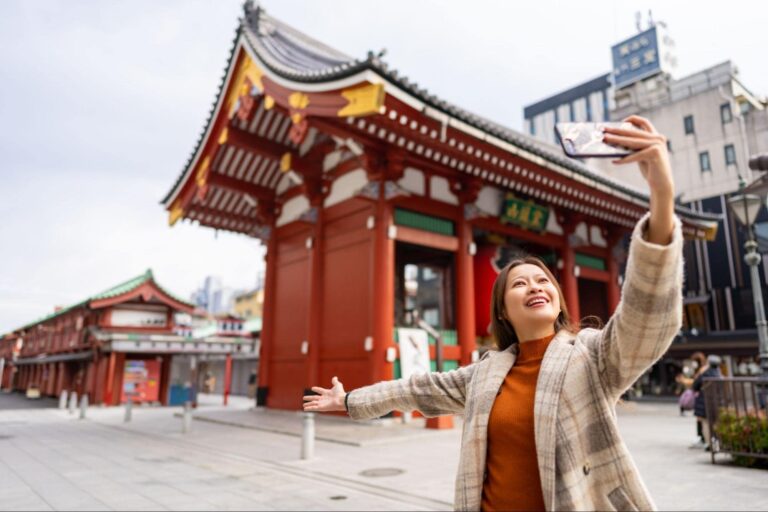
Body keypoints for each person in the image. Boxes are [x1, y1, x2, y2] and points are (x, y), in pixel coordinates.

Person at [304, 116, 681, 512]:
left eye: (544, 280)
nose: (535, 286)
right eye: (520, 284)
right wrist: (349, 400)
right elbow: (415, 389)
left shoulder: (592, 356)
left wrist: (661, 194)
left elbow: (645, 317)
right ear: (502, 309)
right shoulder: (486, 373)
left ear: (557, 297)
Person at [692, 354, 722, 451]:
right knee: (716, 423)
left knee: (705, 423)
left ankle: (708, 443)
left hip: (705, 403)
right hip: (718, 403)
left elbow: (694, 386)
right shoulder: (720, 375)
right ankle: (717, 441)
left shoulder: (705, 374)